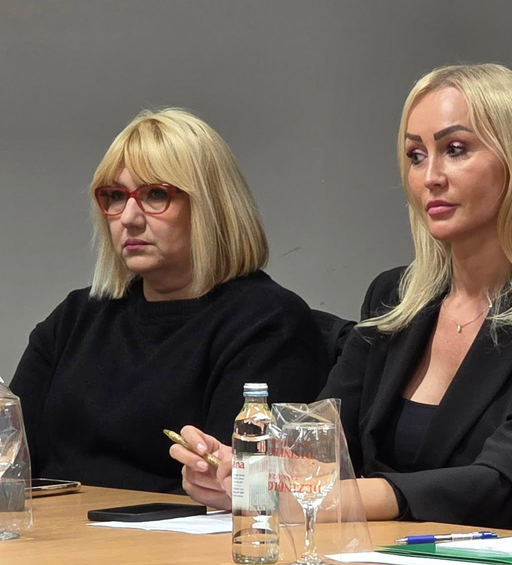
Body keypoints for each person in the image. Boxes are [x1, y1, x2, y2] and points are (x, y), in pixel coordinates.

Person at [173, 64, 512, 535]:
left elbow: (500, 485)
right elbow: (321, 450)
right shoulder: (393, 300)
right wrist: (247, 473)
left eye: (455, 150)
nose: (430, 176)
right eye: (416, 156)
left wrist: (314, 496)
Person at [10, 108, 329, 493]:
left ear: (210, 206)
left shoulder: (268, 322)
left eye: (155, 194)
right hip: (52, 528)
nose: (129, 218)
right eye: (116, 196)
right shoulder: (75, 318)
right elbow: (10, 454)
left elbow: (227, 486)